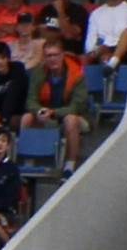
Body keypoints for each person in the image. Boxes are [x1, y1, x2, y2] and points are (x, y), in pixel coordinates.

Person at [22, 40, 90, 172]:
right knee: (27, 118)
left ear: (62, 55)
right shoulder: (39, 73)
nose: (52, 59)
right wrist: (39, 111)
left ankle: (70, 165)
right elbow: (31, 100)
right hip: (47, 114)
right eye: (49, 56)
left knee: (70, 119)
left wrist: (52, 112)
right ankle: (27, 160)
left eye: (55, 55)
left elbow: (76, 107)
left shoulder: (77, 75)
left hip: (75, 116)